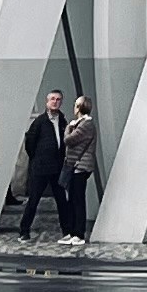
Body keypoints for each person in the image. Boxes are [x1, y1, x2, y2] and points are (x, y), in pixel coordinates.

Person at [17, 90, 68, 241]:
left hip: (57, 168)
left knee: (62, 201)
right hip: (41, 168)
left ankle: (67, 230)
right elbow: (30, 142)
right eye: (52, 99)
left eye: (58, 99)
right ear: (47, 102)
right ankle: (24, 231)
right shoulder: (39, 122)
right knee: (33, 200)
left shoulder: (62, 121)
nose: (55, 102)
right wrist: (37, 158)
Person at [60, 95, 98, 242]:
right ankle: (72, 232)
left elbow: (68, 140)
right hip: (75, 166)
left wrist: (68, 127)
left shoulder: (86, 125)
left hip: (80, 166)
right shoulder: (82, 124)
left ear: (79, 108)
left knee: (78, 200)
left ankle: (79, 234)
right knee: (72, 199)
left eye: (76, 105)